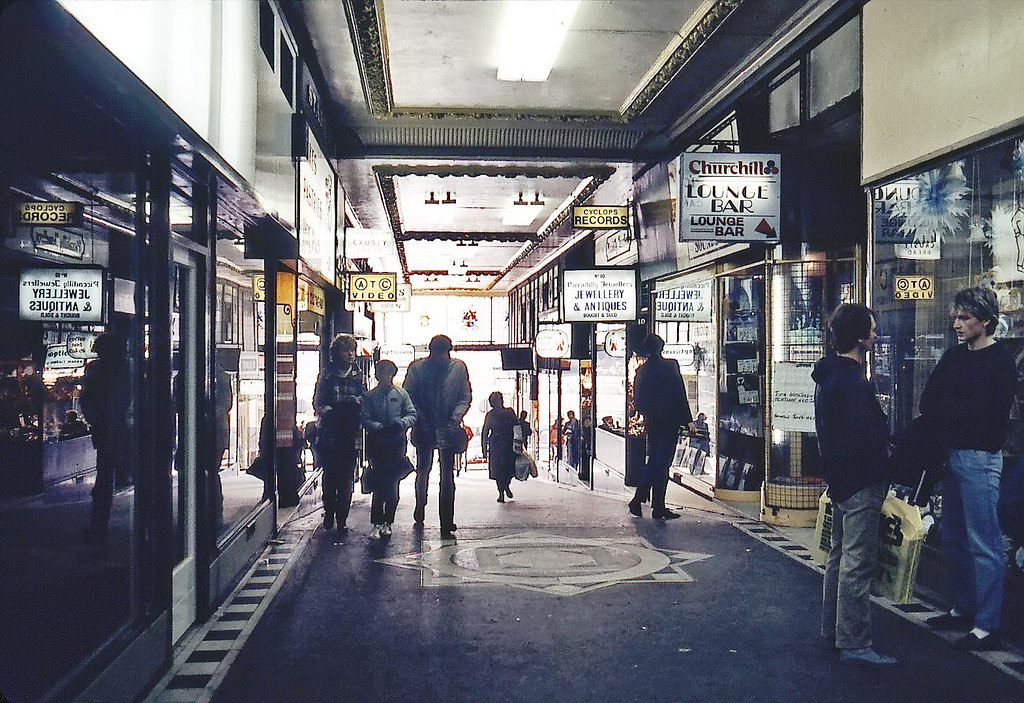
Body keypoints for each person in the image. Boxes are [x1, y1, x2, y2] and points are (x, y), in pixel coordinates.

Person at [921, 287, 1016, 651]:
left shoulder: (1000, 360)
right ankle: (963, 607)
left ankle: (987, 623)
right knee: (954, 536)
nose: (956, 324)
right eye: (956, 317)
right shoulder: (954, 357)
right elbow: (930, 399)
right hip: (954, 454)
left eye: (965, 318)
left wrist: (951, 415)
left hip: (980, 457)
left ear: (986, 321)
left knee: (984, 542)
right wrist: (952, 418)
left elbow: (987, 416)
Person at [812, 303, 896, 668]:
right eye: (872, 331)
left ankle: (833, 630)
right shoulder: (850, 381)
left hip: (840, 480)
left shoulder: (830, 375)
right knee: (857, 563)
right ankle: (855, 641)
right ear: (861, 338)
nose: (876, 336)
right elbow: (864, 436)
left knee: (839, 556)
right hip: (860, 481)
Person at [403, 334, 471, 538]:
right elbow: (464, 396)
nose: (441, 357)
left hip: (438, 427)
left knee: (433, 472)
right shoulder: (455, 368)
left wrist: (452, 419)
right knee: (436, 473)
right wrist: (452, 418)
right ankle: (430, 512)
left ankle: (439, 516)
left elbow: (409, 395)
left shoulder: (418, 368)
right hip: (431, 427)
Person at [629, 334, 693, 519]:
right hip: (670, 421)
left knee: (655, 461)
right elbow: (679, 394)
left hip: (653, 422)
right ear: (661, 347)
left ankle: (651, 504)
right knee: (662, 463)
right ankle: (650, 504)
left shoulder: (642, 371)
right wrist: (687, 419)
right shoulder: (671, 366)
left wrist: (650, 412)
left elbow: (638, 403)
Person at [79, 333, 130, 541]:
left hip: (110, 429)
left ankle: (98, 526)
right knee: (105, 480)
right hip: (120, 429)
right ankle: (99, 525)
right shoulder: (127, 368)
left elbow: (87, 399)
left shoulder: (96, 370)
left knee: (104, 480)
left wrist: (95, 420)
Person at [313, 334, 366, 531]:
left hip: (351, 433)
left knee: (346, 477)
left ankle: (342, 516)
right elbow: (318, 402)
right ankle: (329, 512)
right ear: (336, 353)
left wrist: (352, 406)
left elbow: (363, 399)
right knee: (330, 475)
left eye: (353, 350)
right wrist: (333, 412)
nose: (351, 354)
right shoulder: (327, 375)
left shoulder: (358, 375)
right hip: (330, 432)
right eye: (346, 350)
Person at [361, 359, 417, 539]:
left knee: (392, 485)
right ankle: (377, 522)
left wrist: (400, 423)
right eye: (381, 372)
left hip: (395, 443)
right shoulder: (370, 396)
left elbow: (412, 414)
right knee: (379, 485)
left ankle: (387, 522)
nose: (384, 376)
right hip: (377, 444)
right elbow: (365, 418)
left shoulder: (401, 394)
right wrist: (377, 427)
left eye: (387, 372)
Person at [482, 391, 518, 502]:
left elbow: (516, 427)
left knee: (509, 469)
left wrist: (519, 443)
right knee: (498, 471)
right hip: (496, 446)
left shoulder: (509, 412)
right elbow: (485, 431)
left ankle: (506, 485)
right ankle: (501, 492)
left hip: (508, 445)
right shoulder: (490, 415)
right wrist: (484, 448)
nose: (495, 403)